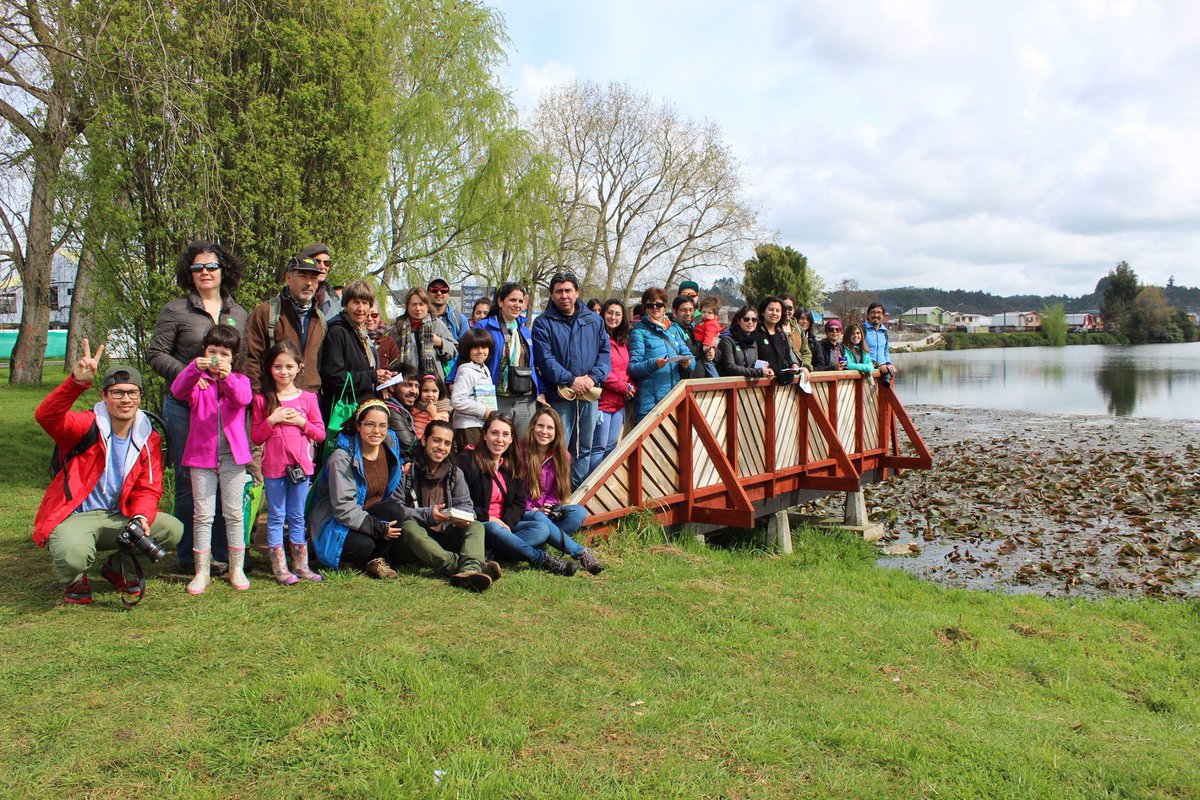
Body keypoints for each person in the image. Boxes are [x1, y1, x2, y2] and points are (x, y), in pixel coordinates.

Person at [36, 344, 183, 606]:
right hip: (77, 515)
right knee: (74, 554)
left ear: (139, 396)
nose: (125, 399)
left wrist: (140, 516)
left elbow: (148, 488)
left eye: (132, 393)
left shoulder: (148, 436)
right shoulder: (86, 425)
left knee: (172, 529)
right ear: (104, 395)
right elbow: (46, 416)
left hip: (119, 514)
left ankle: (119, 569)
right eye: (117, 393)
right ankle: (75, 578)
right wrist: (76, 384)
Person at [147, 239, 248, 573]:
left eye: (211, 267)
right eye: (197, 268)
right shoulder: (176, 310)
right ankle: (190, 556)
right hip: (184, 407)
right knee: (191, 482)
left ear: (224, 271)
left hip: (225, 414)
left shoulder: (238, 313)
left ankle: (221, 554)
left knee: (227, 483)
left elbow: (243, 363)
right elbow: (156, 353)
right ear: (189, 273)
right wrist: (191, 374)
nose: (205, 272)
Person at [170, 325, 253, 593]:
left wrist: (226, 379)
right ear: (204, 352)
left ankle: (236, 568)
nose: (218, 357)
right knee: (203, 515)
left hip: (233, 459)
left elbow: (243, 398)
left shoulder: (239, 380)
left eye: (224, 353)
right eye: (212, 351)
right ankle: (201, 571)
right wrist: (195, 369)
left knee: (233, 514)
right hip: (202, 459)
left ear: (234, 357)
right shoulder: (198, 381)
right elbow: (177, 390)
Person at [374, 419, 499, 591]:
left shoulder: (455, 473)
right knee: (409, 526)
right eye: (436, 440)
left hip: (443, 534)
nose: (441, 447)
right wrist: (427, 515)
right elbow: (395, 509)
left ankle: (470, 569)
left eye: (447, 443)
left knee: (476, 526)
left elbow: (466, 505)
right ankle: (456, 566)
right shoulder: (407, 471)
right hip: (411, 540)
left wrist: (461, 517)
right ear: (424, 440)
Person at [456, 412, 577, 576]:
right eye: (494, 433)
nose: (500, 439)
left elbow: (518, 503)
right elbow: (460, 503)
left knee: (541, 529)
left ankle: (493, 554)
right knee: (493, 527)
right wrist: (488, 517)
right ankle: (542, 559)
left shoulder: (511, 464)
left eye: (505, 435)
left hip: (505, 525)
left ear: (511, 439)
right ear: (484, 435)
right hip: (478, 524)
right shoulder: (467, 461)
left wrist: (506, 523)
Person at [250, 341, 327, 585]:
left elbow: (320, 434)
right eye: (277, 367)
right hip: (273, 469)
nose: (283, 372)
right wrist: (272, 420)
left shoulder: (308, 399)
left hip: (301, 469)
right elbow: (256, 436)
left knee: (296, 516)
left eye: (289, 366)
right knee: (275, 516)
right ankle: (280, 567)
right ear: (269, 369)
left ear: (299, 368)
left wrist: (302, 424)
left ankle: (301, 564)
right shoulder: (263, 401)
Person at [308, 400, 407, 578]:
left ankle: (377, 560)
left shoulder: (390, 448)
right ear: (358, 425)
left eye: (382, 426)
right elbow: (343, 509)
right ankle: (334, 556)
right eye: (370, 424)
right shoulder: (342, 458)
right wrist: (378, 528)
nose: (377, 431)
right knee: (364, 545)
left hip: (367, 515)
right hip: (337, 520)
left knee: (395, 511)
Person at [531, 271, 611, 489]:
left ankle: (576, 492)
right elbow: (545, 359)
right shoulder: (543, 323)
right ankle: (554, 493)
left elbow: (605, 353)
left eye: (568, 290)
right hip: (561, 395)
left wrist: (593, 378)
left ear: (577, 292)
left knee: (585, 446)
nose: (564, 295)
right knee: (558, 445)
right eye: (559, 291)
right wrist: (570, 379)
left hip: (588, 393)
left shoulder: (593, 320)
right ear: (552, 294)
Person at [521, 407, 605, 574]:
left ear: (556, 431)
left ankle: (546, 538)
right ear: (532, 427)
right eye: (540, 426)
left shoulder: (562, 456)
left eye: (550, 428)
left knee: (578, 512)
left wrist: (550, 507)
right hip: (524, 511)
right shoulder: (521, 452)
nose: (544, 431)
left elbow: (556, 492)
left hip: (544, 512)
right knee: (538, 517)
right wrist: (534, 509)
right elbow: (514, 492)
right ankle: (581, 553)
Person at [245, 255, 327, 394]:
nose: (309, 283)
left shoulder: (320, 319)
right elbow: (251, 359)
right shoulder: (266, 312)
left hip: (308, 401)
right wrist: (259, 398)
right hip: (273, 400)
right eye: (302, 276)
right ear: (288, 278)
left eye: (313, 278)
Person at [318, 279, 393, 423]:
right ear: (346, 304)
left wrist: (382, 378)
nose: (360, 308)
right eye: (355, 302)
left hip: (364, 409)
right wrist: (372, 376)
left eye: (365, 303)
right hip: (345, 414)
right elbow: (334, 377)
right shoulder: (337, 332)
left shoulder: (362, 332)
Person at [474, 282, 542, 436]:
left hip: (525, 400)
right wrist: (451, 381)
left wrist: (540, 391)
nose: (517, 305)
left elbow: (533, 364)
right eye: (512, 300)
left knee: (524, 449)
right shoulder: (484, 327)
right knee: (498, 445)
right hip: (497, 398)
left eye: (520, 301)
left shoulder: (524, 330)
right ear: (500, 302)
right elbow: (466, 355)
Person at [628, 287, 693, 422]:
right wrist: (654, 364)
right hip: (650, 405)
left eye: (659, 304)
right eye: (650, 305)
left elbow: (687, 354)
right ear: (645, 308)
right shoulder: (639, 332)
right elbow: (633, 368)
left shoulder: (673, 329)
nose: (655, 308)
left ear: (665, 307)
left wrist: (687, 363)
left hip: (673, 401)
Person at [377, 287, 457, 381]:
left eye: (421, 304)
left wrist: (440, 342)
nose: (418, 308)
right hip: (405, 380)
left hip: (432, 382)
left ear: (427, 306)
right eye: (414, 304)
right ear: (408, 306)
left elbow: (454, 350)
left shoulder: (436, 324)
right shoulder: (398, 326)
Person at [590, 299, 633, 471]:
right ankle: (591, 486)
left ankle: (604, 489)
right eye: (609, 312)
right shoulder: (597, 338)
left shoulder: (622, 341)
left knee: (611, 447)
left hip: (619, 403)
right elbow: (603, 371)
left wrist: (630, 385)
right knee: (598, 447)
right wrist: (623, 387)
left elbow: (625, 368)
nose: (613, 317)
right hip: (602, 402)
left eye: (617, 314)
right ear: (602, 313)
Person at [450, 327, 496, 450]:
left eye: (484, 347)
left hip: (480, 425)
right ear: (467, 350)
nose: (480, 351)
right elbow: (457, 400)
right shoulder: (466, 371)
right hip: (468, 427)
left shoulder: (484, 368)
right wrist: (483, 411)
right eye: (476, 348)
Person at [755, 296, 810, 384]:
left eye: (778, 311)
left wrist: (793, 365)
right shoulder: (756, 333)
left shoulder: (781, 334)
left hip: (780, 385)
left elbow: (787, 357)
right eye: (771, 309)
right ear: (763, 312)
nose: (774, 313)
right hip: (760, 383)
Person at [426, 277, 468, 377]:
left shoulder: (459, 319)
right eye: (434, 290)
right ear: (428, 292)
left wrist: (441, 343)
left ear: (448, 294)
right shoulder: (420, 317)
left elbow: (464, 352)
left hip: (451, 376)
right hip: (425, 376)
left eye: (444, 290)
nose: (439, 293)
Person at [717, 306, 774, 379]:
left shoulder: (753, 340)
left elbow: (753, 364)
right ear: (739, 321)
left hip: (746, 387)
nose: (750, 322)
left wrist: (765, 370)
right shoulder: (727, 340)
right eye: (746, 319)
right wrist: (758, 372)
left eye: (754, 320)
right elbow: (730, 368)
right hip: (728, 385)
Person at [382, 364, 421, 459]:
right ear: (392, 387)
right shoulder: (390, 410)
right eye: (408, 385)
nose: (414, 391)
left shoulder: (405, 409)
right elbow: (408, 443)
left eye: (417, 386)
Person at [670, 295, 712, 379]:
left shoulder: (697, 328)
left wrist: (713, 352)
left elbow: (715, 348)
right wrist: (705, 349)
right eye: (683, 310)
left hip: (703, 383)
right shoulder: (671, 331)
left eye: (691, 310)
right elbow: (689, 351)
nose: (688, 313)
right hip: (684, 384)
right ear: (674, 312)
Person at [299, 243, 342, 321]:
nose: (323, 267)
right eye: (317, 262)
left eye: (326, 263)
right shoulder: (293, 296)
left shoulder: (335, 301)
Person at [780, 293, 814, 375]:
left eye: (790, 308)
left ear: (794, 310)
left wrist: (805, 367)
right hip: (781, 375)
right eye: (783, 308)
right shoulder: (773, 329)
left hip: (799, 374)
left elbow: (806, 352)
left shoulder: (798, 329)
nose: (787, 311)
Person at [864, 302, 896, 385]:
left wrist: (889, 364)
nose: (876, 315)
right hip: (866, 372)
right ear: (868, 315)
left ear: (882, 316)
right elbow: (858, 352)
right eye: (873, 312)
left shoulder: (884, 332)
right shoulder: (861, 330)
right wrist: (876, 365)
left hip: (883, 372)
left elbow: (885, 351)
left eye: (879, 312)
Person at [691, 296, 724, 378]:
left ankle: (715, 379)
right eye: (704, 312)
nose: (706, 315)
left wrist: (706, 344)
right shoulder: (703, 321)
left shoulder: (711, 323)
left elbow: (709, 334)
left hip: (704, 344)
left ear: (714, 314)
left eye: (709, 313)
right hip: (700, 342)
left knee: (708, 363)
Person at [412, 374, 451, 440]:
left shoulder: (442, 409)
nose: (430, 395)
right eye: (425, 391)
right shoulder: (415, 406)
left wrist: (434, 414)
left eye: (434, 391)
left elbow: (443, 427)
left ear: (440, 392)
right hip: (415, 440)